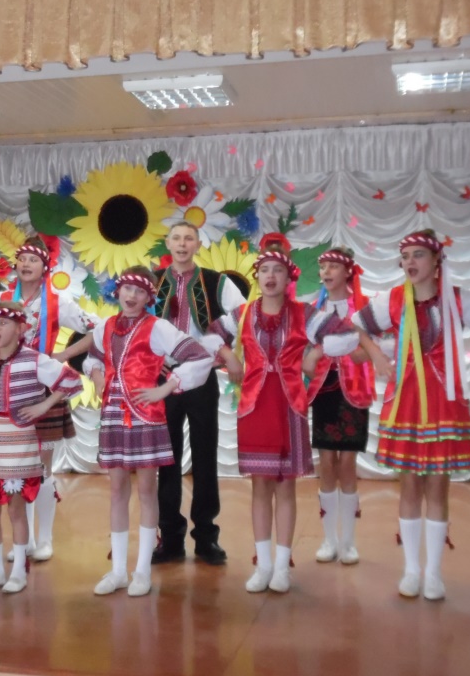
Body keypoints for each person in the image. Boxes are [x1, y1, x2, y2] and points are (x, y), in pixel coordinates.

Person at [353, 229, 470, 601]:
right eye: (405, 256)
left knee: (437, 486)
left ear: (436, 261)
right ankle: (411, 570)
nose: (410, 262)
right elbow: (357, 324)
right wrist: (377, 355)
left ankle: (433, 573)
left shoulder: (457, 301)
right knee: (410, 485)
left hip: (444, 401)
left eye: (418, 255)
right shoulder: (394, 300)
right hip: (406, 400)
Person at [213, 236, 360, 593]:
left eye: (277, 270)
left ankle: (282, 567)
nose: (270, 276)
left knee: (285, 486)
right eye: (264, 270)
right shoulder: (243, 314)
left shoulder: (302, 314)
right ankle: (262, 565)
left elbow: (347, 334)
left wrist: (317, 353)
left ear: (288, 276)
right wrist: (229, 356)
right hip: (253, 406)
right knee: (260, 486)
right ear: (257, 276)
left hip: (290, 406)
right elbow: (209, 336)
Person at [0, 237, 100, 563]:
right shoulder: (0, 299)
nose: (26, 264)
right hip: (7, 391)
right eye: (22, 258)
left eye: (33, 260)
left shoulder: (57, 302)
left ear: (45, 267)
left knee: (41, 468)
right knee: (14, 468)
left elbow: (96, 329)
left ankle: (45, 539)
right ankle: (22, 542)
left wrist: (64, 355)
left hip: (42, 388)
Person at [84, 267, 214, 597]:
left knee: (145, 490)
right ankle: (118, 571)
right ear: (117, 291)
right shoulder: (106, 326)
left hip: (145, 414)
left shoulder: (158, 328)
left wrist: (166, 387)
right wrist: (97, 374)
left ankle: (141, 570)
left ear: (149, 297)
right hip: (113, 413)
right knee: (117, 489)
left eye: (139, 291)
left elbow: (199, 356)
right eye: (127, 288)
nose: (131, 296)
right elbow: (94, 355)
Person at [0, 301, 83, 594]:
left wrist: (43, 405)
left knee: (16, 507)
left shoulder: (34, 360)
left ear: (20, 328)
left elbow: (71, 382)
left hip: (20, 438)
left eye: (3, 323)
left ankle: (18, 572)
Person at [152, 221, 246, 565]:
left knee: (205, 455)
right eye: (176, 238)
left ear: (198, 244)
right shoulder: (152, 281)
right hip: (163, 377)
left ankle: (207, 537)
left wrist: (218, 344)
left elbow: (243, 312)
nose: (182, 244)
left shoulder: (215, 281)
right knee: (166, 458)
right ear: (168, 243)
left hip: (202, 374)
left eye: (188, 238)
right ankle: (170, 538)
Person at [302, 246, 376, 566]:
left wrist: (360, 352)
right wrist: (310, 358)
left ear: (348, 271)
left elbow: (374, 348)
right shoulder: (312, 310)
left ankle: (348, 542)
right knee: (327, 462)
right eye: (323, 267)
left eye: (333, 266)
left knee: (347, 463)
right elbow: (303, 352)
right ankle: (329, 539)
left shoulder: (365, 307)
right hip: (324, 390)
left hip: (354, 390)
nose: (326, 272)